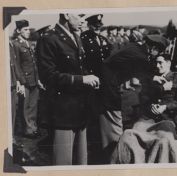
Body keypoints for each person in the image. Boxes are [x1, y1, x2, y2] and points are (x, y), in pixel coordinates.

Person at [36, 13, 100, 165]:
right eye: (79, 15)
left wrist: (90, 78)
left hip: (81, 109)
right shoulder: (49, 38)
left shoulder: (75, 37)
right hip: (62, 112)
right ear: (65, 14)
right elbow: (48, 76)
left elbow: (77, 67)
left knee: (81, 161)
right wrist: (82, 79)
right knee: (63, 163)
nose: (83, 20)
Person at [110, 53, 177, 164]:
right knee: (128, 135)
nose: (157, 65)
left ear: (168, 63)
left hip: (167, 118)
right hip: (148, 117)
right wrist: (152, 103)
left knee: (164, 140)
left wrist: (165, 107)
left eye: (160, 62)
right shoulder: (151, 78)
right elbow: (143, 97)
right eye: (156, 62)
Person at [81, 15, 123, 163]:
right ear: (90, 25)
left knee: (102, 114)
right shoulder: (84, 40)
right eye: (95, 25)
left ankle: (103, 149)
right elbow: (82, 63)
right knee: (91, 115)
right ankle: (93, 149)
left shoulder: (104, 40)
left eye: (99, 25)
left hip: (105, 85)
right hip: (91, 84)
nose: (98, 27)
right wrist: (88, 77)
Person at [12, 20, 43, 138]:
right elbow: (17, 64)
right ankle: (28, 130)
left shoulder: (29, 43)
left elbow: (34, 64)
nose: (28, 32)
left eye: (29, 29)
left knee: (33, 105)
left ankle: (33, 127)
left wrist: (38, 79)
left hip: (34, 79)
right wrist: (21, 81)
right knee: (25, 106)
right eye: (25, 30)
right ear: (18, 31)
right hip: (25, 80)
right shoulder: (16, 44)